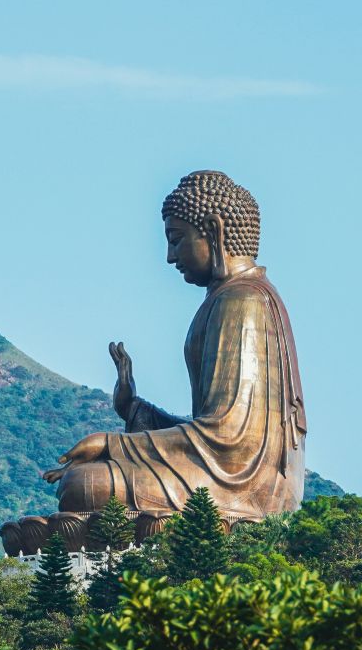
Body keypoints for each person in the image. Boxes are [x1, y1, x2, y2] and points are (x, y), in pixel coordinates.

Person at [41, 170, 307, 523]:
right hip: (220, 474)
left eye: (177, 239)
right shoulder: (227, 299)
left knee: (84, 484)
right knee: (83, 483)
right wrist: (135, 410)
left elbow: (230, 440)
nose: (169, 256)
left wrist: (113, 444)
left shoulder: (242, 302)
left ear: (214, 230)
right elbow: (214, 430)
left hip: (241, 491)